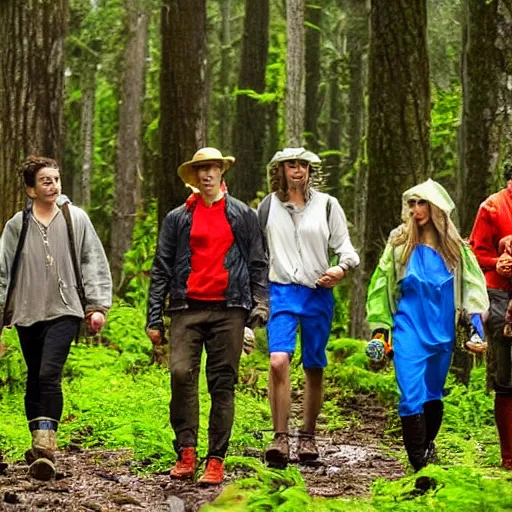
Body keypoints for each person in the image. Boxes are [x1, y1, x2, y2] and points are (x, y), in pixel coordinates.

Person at [146, 147, 268, 485]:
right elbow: (161, 268)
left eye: (212, 168)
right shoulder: (177, 218)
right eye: (201, 170)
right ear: (194, 178)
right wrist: (154, 316)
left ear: (221, 173)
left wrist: (259, 306)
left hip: (229, 308)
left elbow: (258, 263)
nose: (207, 175)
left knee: (222, 384)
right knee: (181, 373)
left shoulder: (243, 215)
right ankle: (186, 450)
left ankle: (216, 459)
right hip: (187, 307)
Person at [0, 155, 112, 481]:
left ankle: (47, 446)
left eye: (56, 179)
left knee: (50, 373)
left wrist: (97, 306)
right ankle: (37, 443)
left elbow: (92, 260)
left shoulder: (74, 218)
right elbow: (3, 271)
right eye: (46, 181)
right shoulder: (16, 225)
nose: (53, 186)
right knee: (34, 377)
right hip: (27, 311)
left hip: (66, 308)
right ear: (31, 189)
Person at [366, 179, 489, 472]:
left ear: (437, 208)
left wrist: (476, 327)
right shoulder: (399, 245)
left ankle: (428, 447)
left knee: (433, 394)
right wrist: (381, 330)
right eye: (412, 203)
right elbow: (381, 287)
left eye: (422, 203)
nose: (416, 209)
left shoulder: (456, 250)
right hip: (409, 329)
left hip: (442, 333)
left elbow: (473, 289)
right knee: (410, 396)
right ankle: (419, 465)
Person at [257, 147, 360, 468]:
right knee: (277, 361)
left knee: (314, 366)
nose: (298, 170)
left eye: (303, 165)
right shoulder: (266, 206)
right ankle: (280, 436)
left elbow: (347, 251)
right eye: (292, 165)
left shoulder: (328, 205)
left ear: (310, 170)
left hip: (317, 292)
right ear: (281, 169)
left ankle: (308, 436)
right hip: (281, 292)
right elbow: (256, 251)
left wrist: (340, 270)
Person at [469, 162, 512, 470]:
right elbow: (475, 251)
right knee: (507, 379)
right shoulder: (492, 208)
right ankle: (509, 457)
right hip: (501, 296)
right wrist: (496, 263)